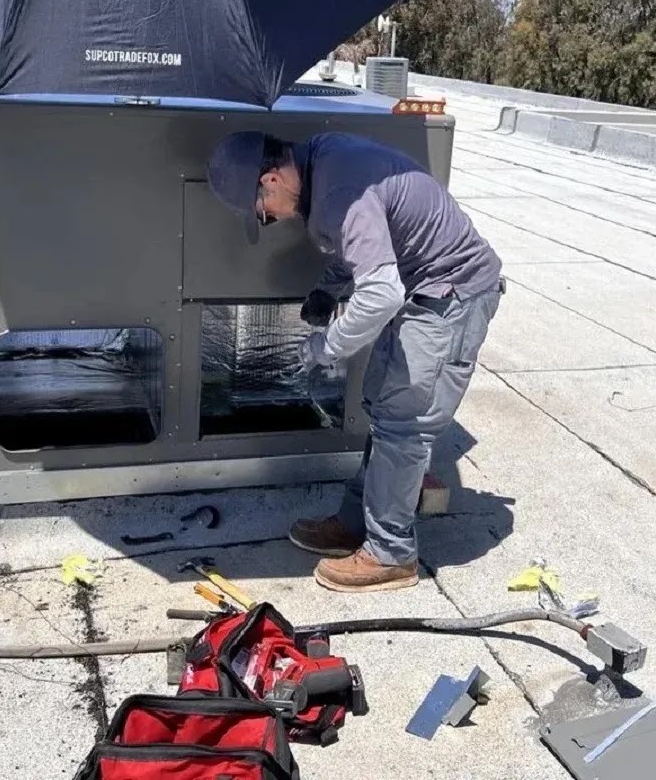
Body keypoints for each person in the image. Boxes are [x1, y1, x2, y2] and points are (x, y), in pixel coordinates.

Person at [206, 130, 503, 593]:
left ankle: (391, 554)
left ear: (272, 179)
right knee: (384, 409)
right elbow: (362, 240)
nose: (270, 220)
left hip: (453, 297)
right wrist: (329, 288)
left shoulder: (336, 192)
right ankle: (356, 522)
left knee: (405, 424)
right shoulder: (323, 158)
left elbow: (382, 293)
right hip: (425, 293)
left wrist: (326, 347)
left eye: (262, 214)